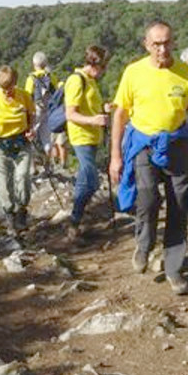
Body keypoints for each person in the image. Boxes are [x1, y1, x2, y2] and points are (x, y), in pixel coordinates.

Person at [110, 21, 188, 296]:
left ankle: (173, 268)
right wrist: (115, 156)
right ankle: (144, 244)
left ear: (174, 42)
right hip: (144, 145)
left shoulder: (187, 74)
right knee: (146, 199)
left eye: (167, 42)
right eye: (156, 44)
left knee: (179, 204)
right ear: (147, 45)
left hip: (178, 143)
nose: (162, 48)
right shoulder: (133, 73)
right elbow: (120, 115)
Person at [0, 65, 36, 232]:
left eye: (9, 88)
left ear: (15, 83)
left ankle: (22, 209)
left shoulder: (24, 96)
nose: (7, 92)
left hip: (21, 142)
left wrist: (31, 129)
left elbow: (31, 115)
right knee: (4, 183)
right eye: (3, 88)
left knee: (23, 176)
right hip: (0, 144)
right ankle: (10, 216)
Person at [64, 46, 111, 240]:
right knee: (91, 180)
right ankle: (75, 220)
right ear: (96, 64)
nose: (105, 70)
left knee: (85, 179)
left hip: (92, 136)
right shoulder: (77, 80)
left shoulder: (91, 81)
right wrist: (94, 120)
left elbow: (89, 106)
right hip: (81, 136)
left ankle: (76, 222)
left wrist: (104, 108)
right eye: (103, 66)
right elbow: (70, 113)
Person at [25, 52, 59, 162]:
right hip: (48, 109)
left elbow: (27, 96)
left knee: (31, 134)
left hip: (36, 109)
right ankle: (48, 164)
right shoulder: (51, 76)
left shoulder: (31, 78)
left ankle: (32, 164)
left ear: (34, 64)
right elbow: (57, 92)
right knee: (47, 138)